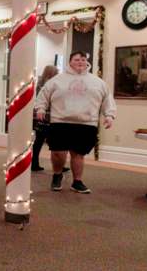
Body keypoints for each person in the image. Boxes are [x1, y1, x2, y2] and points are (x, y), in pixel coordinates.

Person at [35, 51, 116, 193]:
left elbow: (107, 100)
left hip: (86, 123)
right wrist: (41, 108)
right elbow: (43, 96)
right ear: (70, 62)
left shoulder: (98, 82)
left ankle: (77, 182)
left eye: (83, 59)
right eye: (77, 59)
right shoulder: (57, 80)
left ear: (87, 62)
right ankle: (57, 175)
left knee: (78, 154)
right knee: (58, 153)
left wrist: (109, 116)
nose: (80, 62)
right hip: (60, 122)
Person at [31, 65, 59, 171]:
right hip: (48, 116)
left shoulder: (40, 83)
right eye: (56, 72)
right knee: (55, 142)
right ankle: (58, 165)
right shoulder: (49, 84)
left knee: (39, 140)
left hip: (40, 116)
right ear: (51, 73)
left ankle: (34, 163)